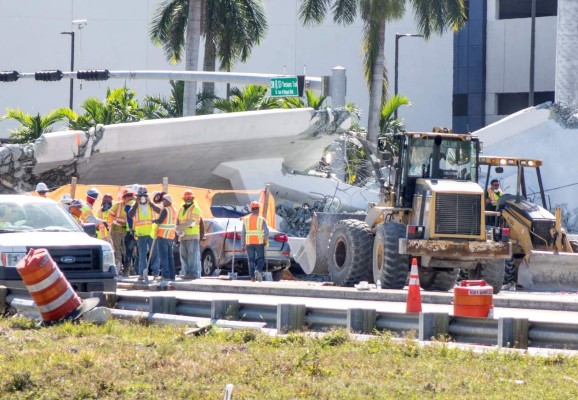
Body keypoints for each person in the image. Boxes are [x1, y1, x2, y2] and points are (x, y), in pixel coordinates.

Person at [128, 186, 160, 281]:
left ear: (147, 196)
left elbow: (159, 211)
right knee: (142, 254)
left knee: (154, 253)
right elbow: (130, 215)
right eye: (140, 195)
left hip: (151, 233)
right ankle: (142, 273)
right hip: (141, 233)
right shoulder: (135, 205)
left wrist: (151, 203)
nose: (142, 197)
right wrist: (136, 204)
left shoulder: (151, 205)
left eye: (144, 195)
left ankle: (155, 273)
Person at [176, 190, 203, 279]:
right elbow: (178, 222)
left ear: (192, 198)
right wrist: (178, 230)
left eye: (190, 197)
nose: (188, 199)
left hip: (192, 235)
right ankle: (186, 273)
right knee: (183, 256)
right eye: (186, 198)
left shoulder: (196, 209)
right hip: (183, 236)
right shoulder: (181, 209)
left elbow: (191, 223)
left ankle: (194, 274)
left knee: (193, 256)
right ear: (184, 199)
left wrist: (178, 228)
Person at [108, 189, 135, 275]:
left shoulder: (132, 206)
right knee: (117, 250)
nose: (129, 198)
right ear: (123, 197)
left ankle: (129, 269)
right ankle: (118, 268)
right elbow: (110, 216)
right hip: (116, 230)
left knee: (126, 250)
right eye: (127, 196)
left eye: (130, 196)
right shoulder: (117, 205)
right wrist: (111, 226)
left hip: (126, 231)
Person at [241, 201, 269, 282]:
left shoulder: (245, 220)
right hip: (259, 243)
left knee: (251, 260)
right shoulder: (261, 219)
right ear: (258, 209)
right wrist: (265, 240)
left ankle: (252, 278)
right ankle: (258, 270)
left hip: (249, 243)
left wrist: (243, 244)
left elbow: (243, 233)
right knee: (261, 258)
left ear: (251, 209)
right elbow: (267, 232)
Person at [152, 194, 177, 281]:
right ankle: (172, 275)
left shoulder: (165, 210)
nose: (162, 202)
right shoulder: (173, 210)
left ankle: (165, 275)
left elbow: (160, 220)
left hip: (162, 236)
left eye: (164, 200)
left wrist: (154, 221)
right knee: (170, 257)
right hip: (170, 236)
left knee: (163, 257)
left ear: (167, 201)